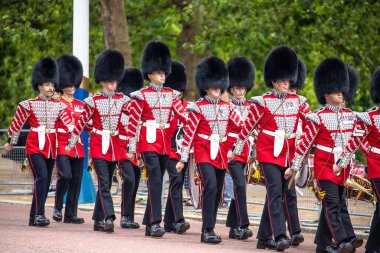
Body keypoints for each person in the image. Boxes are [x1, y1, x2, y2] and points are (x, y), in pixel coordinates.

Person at [228, 46, 310, 251]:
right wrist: (237, 149)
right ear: (273, 81)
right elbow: (246, 128)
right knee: (275, 192)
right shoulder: (262, 102)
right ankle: (280, 235)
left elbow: (311, 124)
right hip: (267, 153)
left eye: (288, 79)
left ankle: (264, 238)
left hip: (288, 154)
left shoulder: (299, 102)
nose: (286, 83)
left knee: (280, 194)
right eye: (282, 80)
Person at [285, 57, 363, 253]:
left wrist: (344, 163)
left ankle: (325, 243)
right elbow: (304, 145)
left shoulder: (349, 116)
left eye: (341, 90)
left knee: (338, 205)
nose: (341, 94)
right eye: (337, 91)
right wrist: (294, 167)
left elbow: (354, 143)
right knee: (333, 205)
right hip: (324, 167)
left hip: (341, 169)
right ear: (327, 94)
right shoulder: (317, 117)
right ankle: (341, 240)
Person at [176, 56, 243, 244]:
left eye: (218, 85)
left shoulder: (228, 108)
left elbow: (242, 129)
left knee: (218, 190)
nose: (216, 88)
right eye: (212, 85)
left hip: (222, 153)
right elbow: (188, 135)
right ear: (205, 86)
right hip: (204, 152)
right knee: (210, 186)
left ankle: (210, 227)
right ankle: (206, 230)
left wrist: (234, 149)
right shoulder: (197, 107)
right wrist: (182, 159)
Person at [126, 41, 187, 238]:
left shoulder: (172, 95)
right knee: (155, 180)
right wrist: (132, 147)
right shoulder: (141, 96)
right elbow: (133, 123)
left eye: (164, 72)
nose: (163, 75)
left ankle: (148, 223)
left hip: (163, 143)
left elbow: (184, 115)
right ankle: (154, 223)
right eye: (159, 72)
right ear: (150, 74)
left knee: (158, 181)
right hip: (148, 141)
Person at [66, 49, 129, 233]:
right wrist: (73, 139)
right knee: (103, 182)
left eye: (114, 80)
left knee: (107, 183)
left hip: (115, 146)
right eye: (109, 80)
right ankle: (109, 216)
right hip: (99, 145)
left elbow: (128, 123)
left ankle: (97, 219)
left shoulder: (124, 100)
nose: (112, 84)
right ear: (102, 81)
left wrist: (129, 144)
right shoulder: (93, 101)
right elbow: (82, 121)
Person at [5, 57, 71, 226]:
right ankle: (40, 214)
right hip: (34, 145)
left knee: (45, 180)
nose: (51, 87)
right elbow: (17, 124)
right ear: (39, 85)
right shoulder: (29, 104)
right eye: (47, 84)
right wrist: (10, 142)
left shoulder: (60, 106)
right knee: (41, 177)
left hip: (51, 147)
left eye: (52, 84)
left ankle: (33, 217)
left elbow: (69, 124)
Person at [333, 67, 380, 253]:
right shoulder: (369, 117)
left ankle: (372, 247)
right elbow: (356, 141)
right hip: (377, 167)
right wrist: (342, 163)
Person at [53, 54, 88, 224]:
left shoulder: (81, 105)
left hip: (78, 146)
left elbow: (86, 126)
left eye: (74, 82)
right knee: (65, 176)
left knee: (76, 179)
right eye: (68, 82)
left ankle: (70, 214)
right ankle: (57, 206)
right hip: (61, 144)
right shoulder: (56, 103)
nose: (72, 86)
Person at [224, 56, 255, 241]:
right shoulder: (227, 107)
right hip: (232, 151)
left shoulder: (252, 106)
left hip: (247, 153)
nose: (240, 90)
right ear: (231, 88)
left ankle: (232, 226)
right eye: (237, 87)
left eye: (243, 87)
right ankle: (243, 225)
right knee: (240, 186)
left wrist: (254, 153)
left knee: (238, 187)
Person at [162, 61, 191, 234]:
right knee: (177, 181)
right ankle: (179, 220)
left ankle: (168, 221)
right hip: (169, 150)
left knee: (176, 183)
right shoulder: (165, 106)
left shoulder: (187, 106)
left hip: (183, 152)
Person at [117, 67, 144, 229]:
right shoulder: (121, 105)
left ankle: (129, 215)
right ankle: (124, 216)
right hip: (122, 148)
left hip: (135, 151)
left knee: (135, 180)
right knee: (129, 180)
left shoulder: (137, 106)